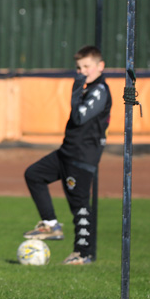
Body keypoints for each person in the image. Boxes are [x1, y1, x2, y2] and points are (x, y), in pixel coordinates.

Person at [23, 45, 111, 265]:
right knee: (34, 174)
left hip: (82, 157)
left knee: (79, 205)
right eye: (79, 67)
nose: (82, 71)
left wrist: (76, 88)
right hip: (66, 152)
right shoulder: (86, 87)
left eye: (87, 66)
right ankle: (51, 224)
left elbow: (80, 116)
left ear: (100, 66)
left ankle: (82, 254)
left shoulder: (99, 89)